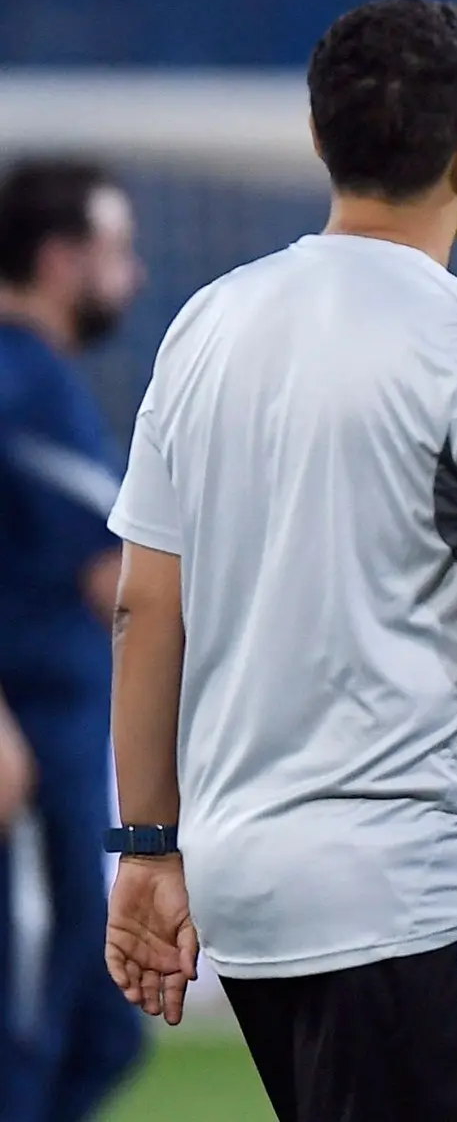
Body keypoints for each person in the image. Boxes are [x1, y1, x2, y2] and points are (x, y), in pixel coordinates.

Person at [99, 0, 457, 1122]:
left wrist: (144, 845)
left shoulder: (207, 324)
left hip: (248, 892)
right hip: (412, 886)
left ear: (322, 137)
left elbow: (145, 609)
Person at [0, 159, 147, 1122]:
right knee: (32, 1034)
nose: (131, 277)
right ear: (61, 261)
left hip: (63, 756)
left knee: (95, 1025)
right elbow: (125, 584)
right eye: (115, 251)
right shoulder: (24, 386)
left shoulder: (45, 381)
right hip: (30, 762)